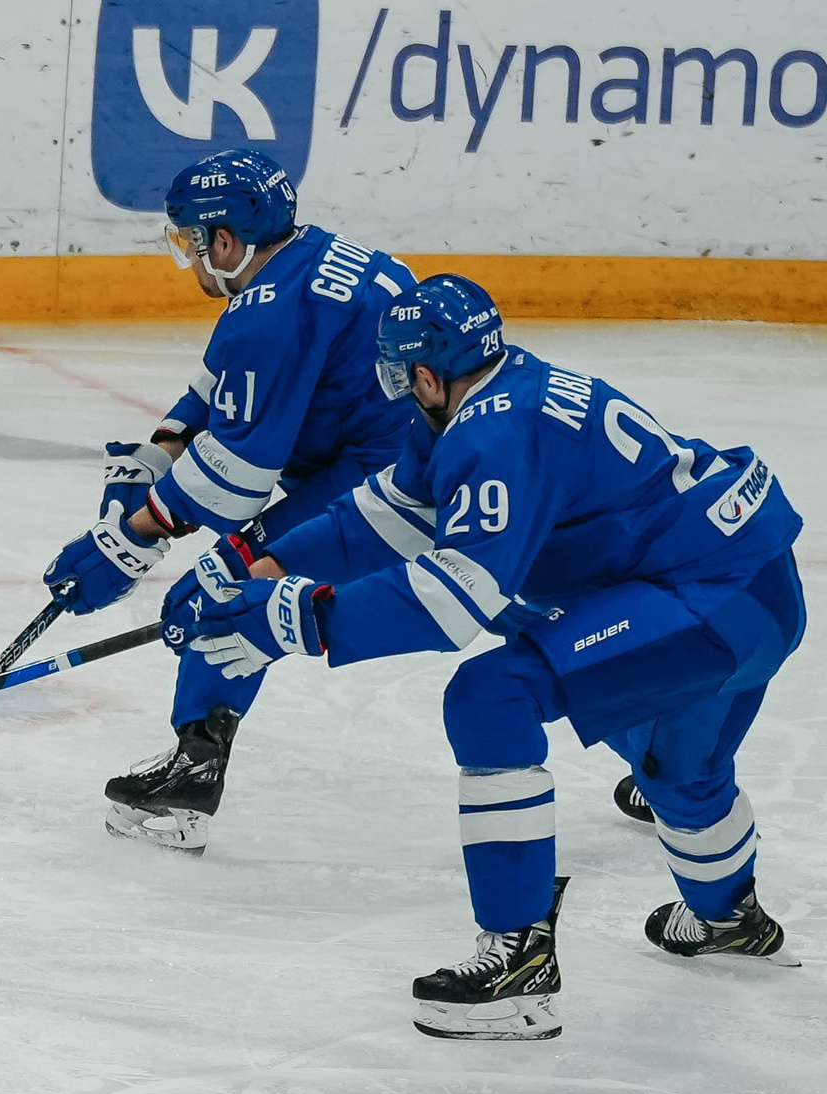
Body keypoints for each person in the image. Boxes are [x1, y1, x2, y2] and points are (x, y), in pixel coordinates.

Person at [182, 276, 805, 1039]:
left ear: (426, 373)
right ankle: (727, 917)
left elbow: (453, 602)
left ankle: (519, 961)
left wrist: (294, 618)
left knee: (492, 694)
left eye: (398, 372)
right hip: (753, 580)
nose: (395, 388)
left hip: (709, 599)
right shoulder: (489, 392)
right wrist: (261, 565)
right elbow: (378, 520)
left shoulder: (491, 434)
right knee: (680, 767)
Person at [41, 150, 417, 855]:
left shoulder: (270, 313)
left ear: (226, 240)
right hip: (399, 461)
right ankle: (667, 738)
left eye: (190, 240)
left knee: (223, 590)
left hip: (390, 484)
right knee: (533, 600)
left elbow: (239, 475)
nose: (188, 256)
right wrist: (158, 452)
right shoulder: (314, 260)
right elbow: (218, 388)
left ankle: (193, 776)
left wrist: (132, 536)